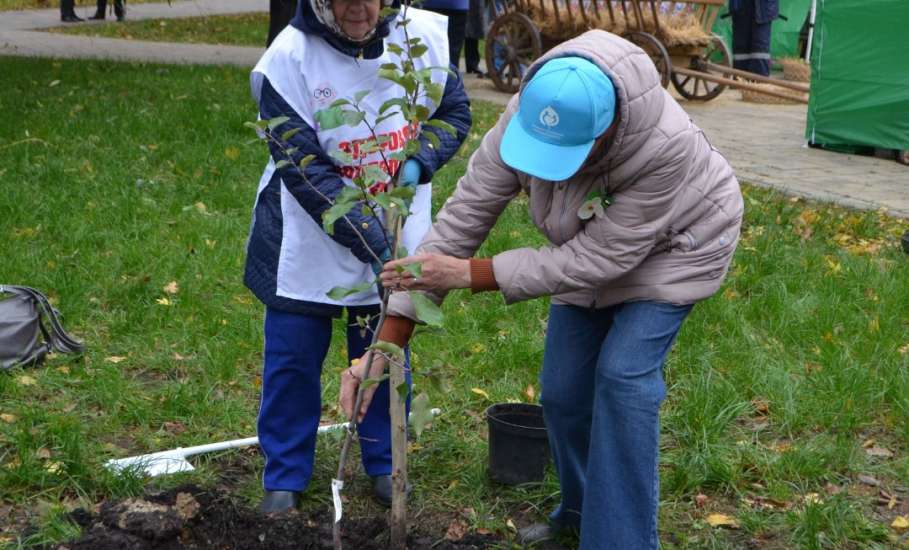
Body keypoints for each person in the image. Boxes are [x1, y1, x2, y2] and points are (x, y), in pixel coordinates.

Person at [341, 30, 743, 549]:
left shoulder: (662, 149)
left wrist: (468, 274)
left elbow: (601, 259)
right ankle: (578, 510)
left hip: (678, 248)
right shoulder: (533, 107)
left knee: (622, 379)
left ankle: (618, 539)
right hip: (585, 243)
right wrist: (388, 345)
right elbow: (465, 214)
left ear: (609, 130)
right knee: (562, 390)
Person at [245, 0, 472, 513]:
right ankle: (285, 473)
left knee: (383, 348)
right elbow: (304, 170)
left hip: (393, 225)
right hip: (306, 232)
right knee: (293, 354)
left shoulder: (422, 39)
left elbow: (453, 112)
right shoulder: (289, 58)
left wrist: (421, 158)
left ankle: (383, 461)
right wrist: (373, 242)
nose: (358, 8)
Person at [729, 0, 778, 76]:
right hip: (741, 6)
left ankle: (759, 84)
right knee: (741, 48)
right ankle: (739, 83)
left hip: (763, 8)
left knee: (760, 48)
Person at [420, 0, 469, 74]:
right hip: (457, 5)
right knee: (453, 51)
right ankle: (451, 79)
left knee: (432, 48)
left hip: (432, 5)